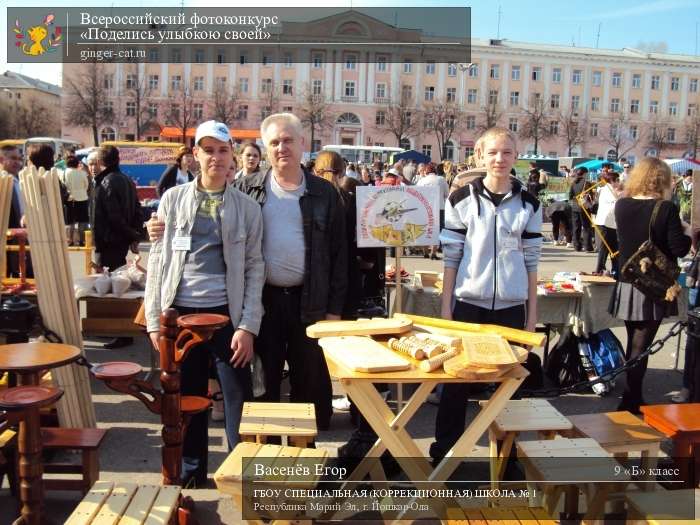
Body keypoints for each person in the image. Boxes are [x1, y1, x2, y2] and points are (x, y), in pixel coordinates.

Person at [149, 113, 347, 430]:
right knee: (262, 386)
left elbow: (340, 257)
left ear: (303, 145)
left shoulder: (325, 194)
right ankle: (263, 460)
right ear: (265, 149)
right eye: (274, 142)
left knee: (309, 388)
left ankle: (302, 463)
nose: (282, 148)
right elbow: (212, 231)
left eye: (288, 141)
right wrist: (158, 228)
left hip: (311, 304)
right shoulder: (247, 189)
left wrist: (335, 311)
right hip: (263, 301)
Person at [145, 120, 264, 487]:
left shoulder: (247, 209)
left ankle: (238, 477)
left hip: (226, 317)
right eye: (207, 150)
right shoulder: (173, 200)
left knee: (237, 400)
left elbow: (255, 268)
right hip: (181, 315)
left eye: (222, 150)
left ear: (232, 156)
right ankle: (193, 473)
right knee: (190, 399)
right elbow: (158, 260)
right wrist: (154, 322)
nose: (215, 157)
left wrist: (246, 326)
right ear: (195, 154)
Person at [434, 127, 542, 462]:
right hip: (468, 305)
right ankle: (444, 453)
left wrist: (532, 314)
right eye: (492, 152)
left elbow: (532, 260)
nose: (499, 159)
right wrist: (446, 306)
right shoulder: (460, 200)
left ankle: (507, 459)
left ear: (515, 157)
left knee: (509, 388)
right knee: (456, 384)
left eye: (507, 152)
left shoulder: (529, 203)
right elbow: (451, 256)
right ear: (479, 155)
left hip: (511, 307)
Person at [609, 157, 691, 414]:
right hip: (652, 286)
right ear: (662, 179)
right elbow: (679, 248)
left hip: (627, 281)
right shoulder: (665, 208)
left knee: (634, 341)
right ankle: (631, 400)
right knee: (641, 346)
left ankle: (632, 396)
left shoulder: (622, 205)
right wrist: (688, 231)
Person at [93, 145, 144, 349]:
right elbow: (138, 210)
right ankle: (120, 330)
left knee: (115, 288)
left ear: (101, 161)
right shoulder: (126, 180)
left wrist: (132, 235)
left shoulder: (107, 182)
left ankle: (121, 332)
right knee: (119, 283)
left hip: (110, 240)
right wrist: (135, 235)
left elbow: (113, 217)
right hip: (119, 239)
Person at [416, 162, 449, 260]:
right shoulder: (441, 179)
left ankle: (425, 252)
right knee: (437, 230)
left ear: (426, 171)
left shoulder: (422, 181)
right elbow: (447, 194)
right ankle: (433, 253)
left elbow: (417, 194)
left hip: (425, 208)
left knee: (425, 229)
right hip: (439, 208)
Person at [593, 171, 621, 276]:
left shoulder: (610, 189)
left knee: (614, 247)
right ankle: (599, 269)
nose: (619, 182)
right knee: (604, 248)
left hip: (612, 224)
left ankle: (616, 269)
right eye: (617, 180)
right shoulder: (606, 189)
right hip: (603, 223)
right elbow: (617, 200)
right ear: (611, 181)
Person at [63, 155, 90, 246]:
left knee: (71, 222)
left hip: (70, 199)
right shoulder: (82, 173)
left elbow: (64, 185)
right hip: (82, 198)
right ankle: (82, 240)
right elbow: (86, 185)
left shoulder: (65, 172)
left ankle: (70, 240)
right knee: (83, 221)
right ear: (77, 163)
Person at [568, 167, 594, 252]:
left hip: (575, 207)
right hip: (584, 207)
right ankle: (588, 247)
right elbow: (591, 196)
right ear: (584, 173)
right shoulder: (586, 183)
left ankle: (577, 246)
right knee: (586, 227)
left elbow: (570, 196)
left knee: (576, 227)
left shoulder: (573, 183)